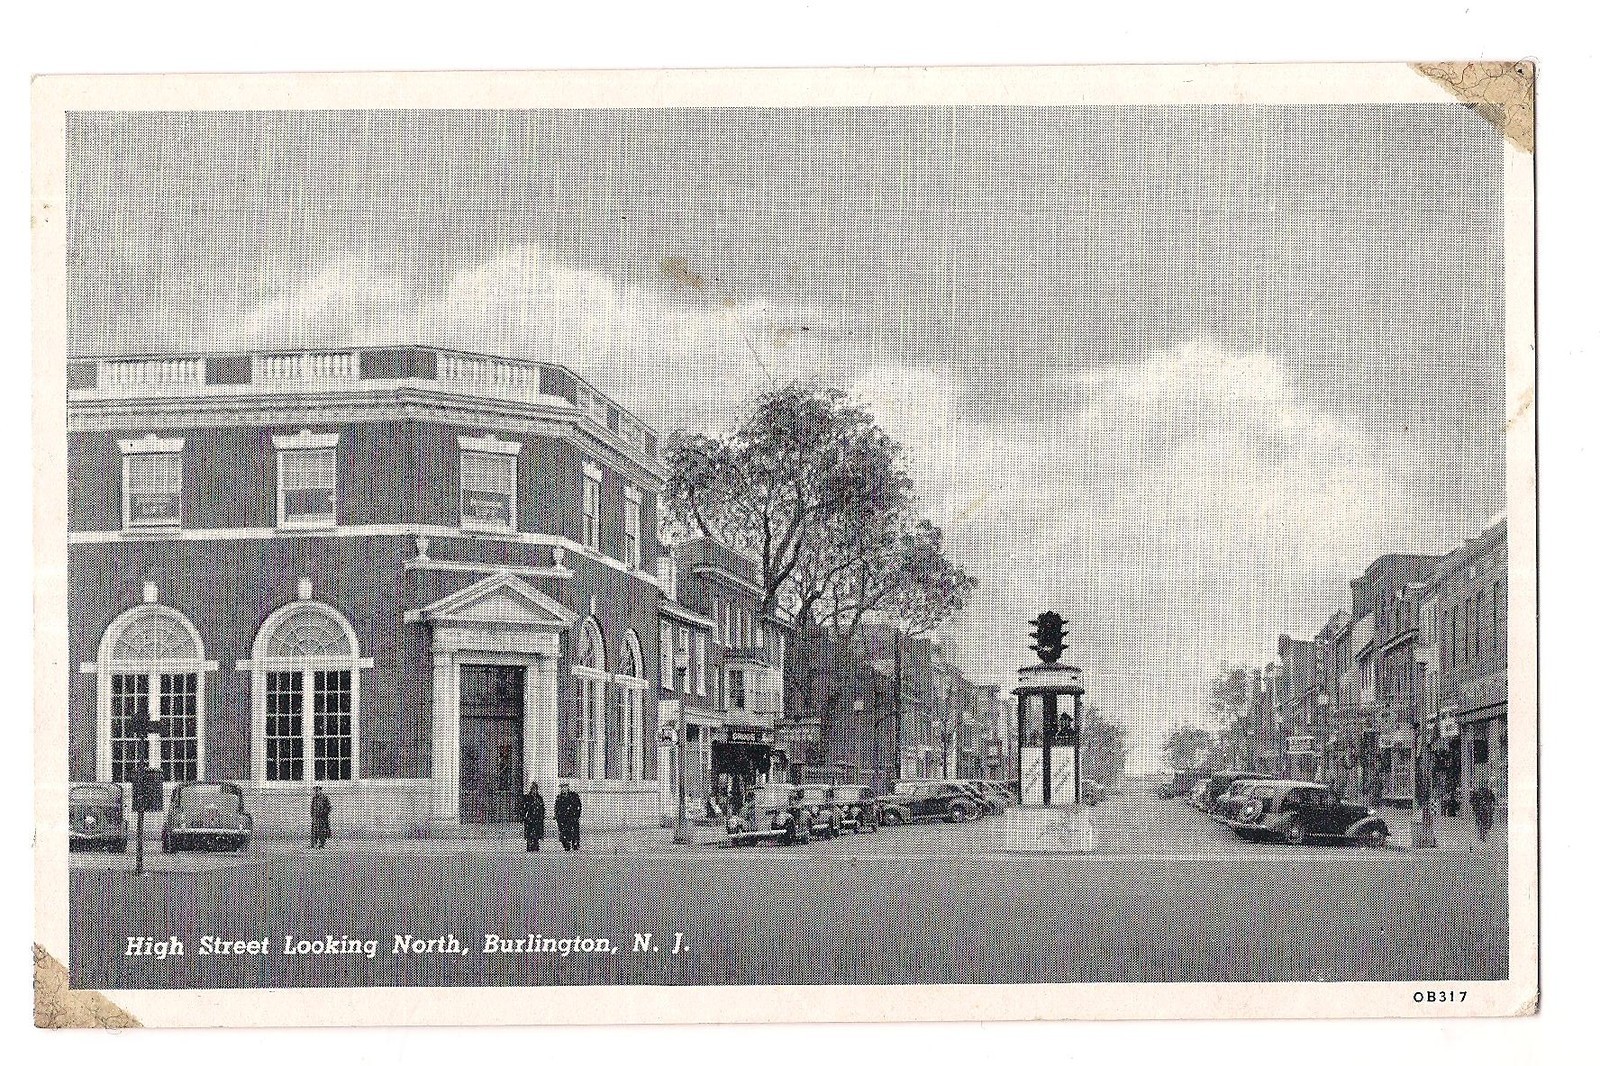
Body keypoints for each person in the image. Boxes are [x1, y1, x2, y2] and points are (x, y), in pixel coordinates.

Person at [1469, 774, 1497, 843]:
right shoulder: (1486, 791)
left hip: (1482, 810)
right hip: (1484, 810)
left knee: (1481, 822)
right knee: (1485, 822)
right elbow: (1494, 800)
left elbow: (1471, 801)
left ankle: (1482, 834)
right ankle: (1483, 833)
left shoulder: (1482, 791)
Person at [554, 783, 582, 851]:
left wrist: (576, 814)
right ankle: (566, 843)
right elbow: (557, 808)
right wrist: (558, 816)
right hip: (563, 819)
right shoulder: (559, 797)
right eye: (562, 788)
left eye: (565, 787)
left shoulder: (573, 796)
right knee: (564, 832)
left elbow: (578, 806)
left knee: (574, 831)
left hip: (572, 818)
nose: (563, 789)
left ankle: (575, 843)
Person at [520, 781, 546, 852]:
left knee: (536, 836)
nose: (534, 790)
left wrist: (542, 816)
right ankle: (530, 847)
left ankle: (535, 847)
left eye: (535, 789)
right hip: (529, 819)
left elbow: (542, 808)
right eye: (533, 789)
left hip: (537, 819)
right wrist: (523, 816)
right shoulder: (527, 797)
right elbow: (523, 808)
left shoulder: (539, 798)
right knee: (529, 835)